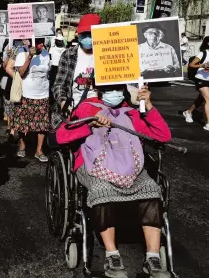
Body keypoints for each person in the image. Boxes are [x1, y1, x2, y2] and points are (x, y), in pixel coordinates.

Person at [56, 84, 172, 278]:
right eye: (110, 88)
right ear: (99, 88)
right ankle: (112, 256)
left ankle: (152, 258)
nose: (115, 92)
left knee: (151, 189)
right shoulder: (86, 107)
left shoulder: (132, 112)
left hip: (130, 166)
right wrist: (89, 124)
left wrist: (149, 105)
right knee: (101, 190)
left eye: (118, 88)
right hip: (93, 165)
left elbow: (163, 136)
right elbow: (60, 137)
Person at [52, 13, 101, 129]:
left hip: (99, 113)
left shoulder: (105, 56)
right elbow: (58, 85)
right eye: (85, 34)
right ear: (78, 34)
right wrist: (63, 102)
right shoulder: (68, 55)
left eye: (91, 34)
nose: (88, 37)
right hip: (74, 113)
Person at [6, 42, 51, 162]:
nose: (39, 44)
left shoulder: (46, 54)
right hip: (25, 93)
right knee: (21, 122)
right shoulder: (22, 52)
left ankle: (39, 150)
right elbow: (21, 73)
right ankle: (22, 145)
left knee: (42, 124)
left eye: (41, 42)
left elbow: (48, 72)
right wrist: (29, 57)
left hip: (43, 93)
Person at [183, 36, 209, 130]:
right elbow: (191, 65)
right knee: (208, 99)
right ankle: (208, 124)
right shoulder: (203, 53)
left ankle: (189, 112)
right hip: (201, 79)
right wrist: (202, 65)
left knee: (201, 99)